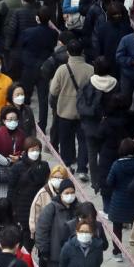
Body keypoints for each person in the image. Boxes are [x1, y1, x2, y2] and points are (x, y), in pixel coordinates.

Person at [35, 180, 79, 267]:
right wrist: (44, 249)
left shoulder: (78, 209)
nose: (70, 196)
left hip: (74, 255)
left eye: (72, 192)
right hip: (55, 254)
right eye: (67, 193)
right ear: (60, 194)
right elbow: (42, 230)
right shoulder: (51, 208)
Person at [49, 41, 94, 180]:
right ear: (82, 52)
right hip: (84, 112)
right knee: (83, 141)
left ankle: (67, 165)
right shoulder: (90, 69)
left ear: (68, 52)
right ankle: (82, 169)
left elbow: (53, 90)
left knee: (65, 140)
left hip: (65, 111)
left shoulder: (62, 69)